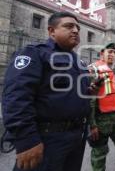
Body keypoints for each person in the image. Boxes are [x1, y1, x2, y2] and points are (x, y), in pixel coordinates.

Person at [1, 12, 91, 171]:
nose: (76, 30)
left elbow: (72, 94)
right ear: (51, 31)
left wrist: (90, 90)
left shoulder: (78, 61)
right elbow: (16, 97)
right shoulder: (35, 53)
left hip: (76, 137)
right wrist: (27, 140)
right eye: (69, 26)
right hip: (46, 139)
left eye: (77, 27)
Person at [89, 43, 115, 171]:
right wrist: (92, 124)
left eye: (114, 52)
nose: (112, 54)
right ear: (102, 53)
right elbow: (90, 99)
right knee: (99, 152)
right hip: (101, 118)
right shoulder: (94, 69)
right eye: (110, 51)